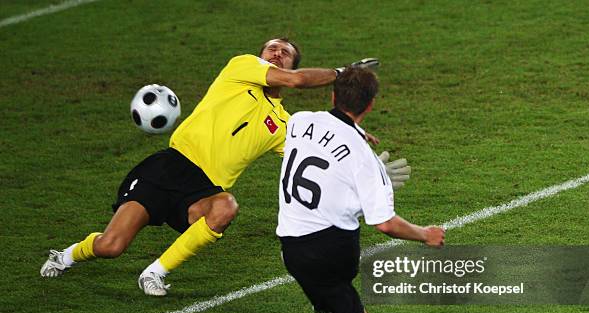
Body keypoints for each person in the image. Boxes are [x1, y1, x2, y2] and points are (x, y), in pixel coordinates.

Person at [40, 38, 403, 297]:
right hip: (168, 168)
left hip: (202, 191)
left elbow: (314, 158)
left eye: (286, 53)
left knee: (226, 206)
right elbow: (294, 82)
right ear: (261, 57)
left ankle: (155, 272)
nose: (277, 53)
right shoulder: (241, 68)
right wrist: (343, 72)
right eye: (272, 49)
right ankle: (67, 255)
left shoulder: (284, 124)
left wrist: (362, 163)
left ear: (294, 61)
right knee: (111, 245)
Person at [276, 67, 469, 313]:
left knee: (313, 278)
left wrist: (353, 144)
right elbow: (384, 223)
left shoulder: (299, 121)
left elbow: (323, 146)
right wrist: (425, 235)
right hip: (333, 252)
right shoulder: (366, 160)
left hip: (290, 245)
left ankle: (327, 307)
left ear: (333, 95)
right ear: (371, 105)